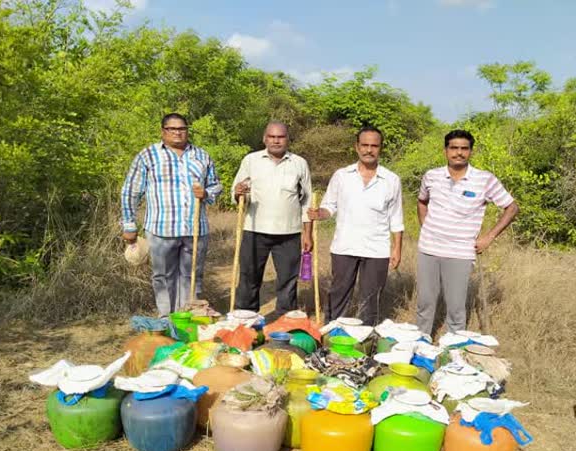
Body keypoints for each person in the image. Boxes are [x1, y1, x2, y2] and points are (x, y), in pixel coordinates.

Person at [416, 129, 519, 335]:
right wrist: (427, 226)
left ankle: (454, 354)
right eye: (454, 148)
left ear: (471, 151)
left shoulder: (484, 179)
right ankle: (420, 345)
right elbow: (421, 201)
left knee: (455, 307)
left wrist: (489, 238)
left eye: (464, 148)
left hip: (460, 252)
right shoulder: (432, 176)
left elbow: (512, 207)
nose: (459, 153)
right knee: (425, 303)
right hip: (428, 249)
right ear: (446, 150)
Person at [121, 113, 223, 317]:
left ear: (187, 131)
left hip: (195, 229)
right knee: (163, 276)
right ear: (163, 131)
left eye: (182, 129)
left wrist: (206, 193)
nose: (177, 132)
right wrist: (129, 225)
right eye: (172, 129)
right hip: (161, 229)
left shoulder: (201, 156)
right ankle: (167, 318)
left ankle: (187, 316)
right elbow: (130, 191)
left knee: (191, 274)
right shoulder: (148, 155)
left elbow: (216, 185)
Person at [308, 126, 404, 326]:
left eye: (374, 146)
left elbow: (396, 217)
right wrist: (320, 214)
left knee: (370, 300)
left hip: (376, 249)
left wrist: (397, 248)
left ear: (380, 148)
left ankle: (366, 342)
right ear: (356, 147)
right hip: (345, 246)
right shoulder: (342, 176)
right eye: (365, 145)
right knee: (338, 294)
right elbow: (329, 206)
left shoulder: (391, 180)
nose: (369, 150)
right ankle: (331, 335)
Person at [231, 122, 313, 317]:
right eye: (272, 136)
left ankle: (284, 320)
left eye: (281, 137)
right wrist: (238, 192)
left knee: (288, 279)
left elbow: (307, 201)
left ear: (287, 139)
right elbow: (236, 193)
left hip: (289, 232)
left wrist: (307, 234)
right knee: (249, 277)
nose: (276, 140)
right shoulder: (251, 160)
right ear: (264, 138)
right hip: (255, 229)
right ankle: (246, 319)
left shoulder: (299, 163)